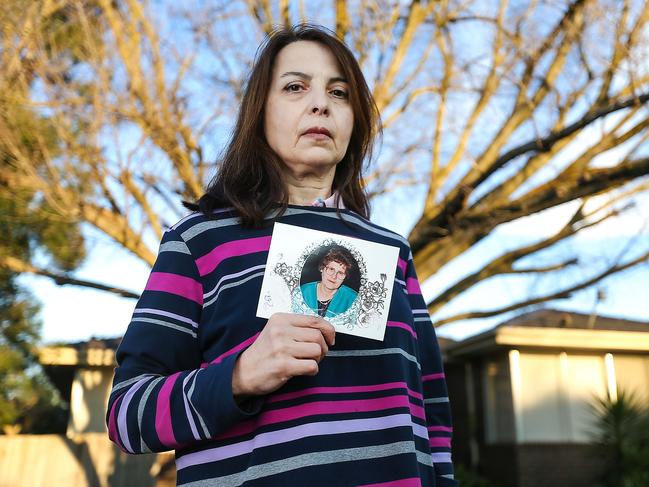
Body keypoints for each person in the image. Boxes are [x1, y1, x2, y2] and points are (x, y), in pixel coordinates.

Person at [106, 23, 457, 486]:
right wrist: (237, 376)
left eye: (340, 92)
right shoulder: (198, 242)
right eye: (295, 87)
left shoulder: (392, 252)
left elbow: (433, 415)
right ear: (260, 113)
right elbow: (127, 415)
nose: (321, 103)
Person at [300, 248, 358, 317]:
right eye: (331, 269)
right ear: (322, 268)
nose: (334, 276)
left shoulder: (352, 298)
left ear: (345, 277)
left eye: (340, 273)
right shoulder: (303, 291)